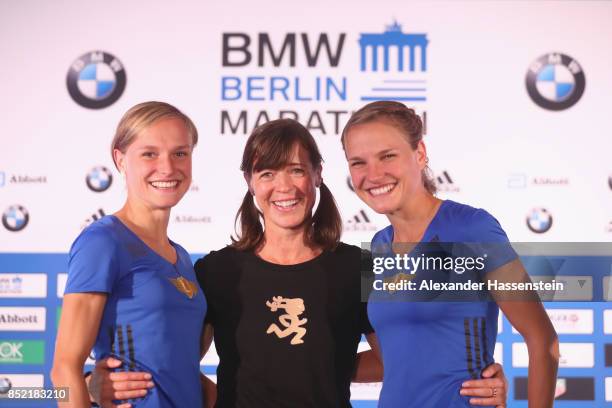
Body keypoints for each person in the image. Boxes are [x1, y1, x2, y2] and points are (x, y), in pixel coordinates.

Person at [89, 119, 509, 407]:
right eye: (267, 173)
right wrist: (98, 382)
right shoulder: (215, 272)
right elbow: (176, 361)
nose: (283, 186)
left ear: (317, 176)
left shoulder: (356, 267)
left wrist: (468, 378)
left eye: (295, 170)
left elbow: (395, 357)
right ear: (250, 183)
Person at [341, 101, 559, 407]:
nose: (373, 174)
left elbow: (543, 341)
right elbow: (391, 361)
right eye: (358, 162)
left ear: (419, 153)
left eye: (387, 156)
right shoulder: (377, 246)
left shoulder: (472, 229)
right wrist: (305, 364)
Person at [51, 101, 207, 408]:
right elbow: (63, 370)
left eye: (180, 153)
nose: (168, 167)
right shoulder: (102, 241)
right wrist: (88, 387)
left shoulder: (182, 257)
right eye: (149, 154)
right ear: (120, 159)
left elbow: (174, 365)